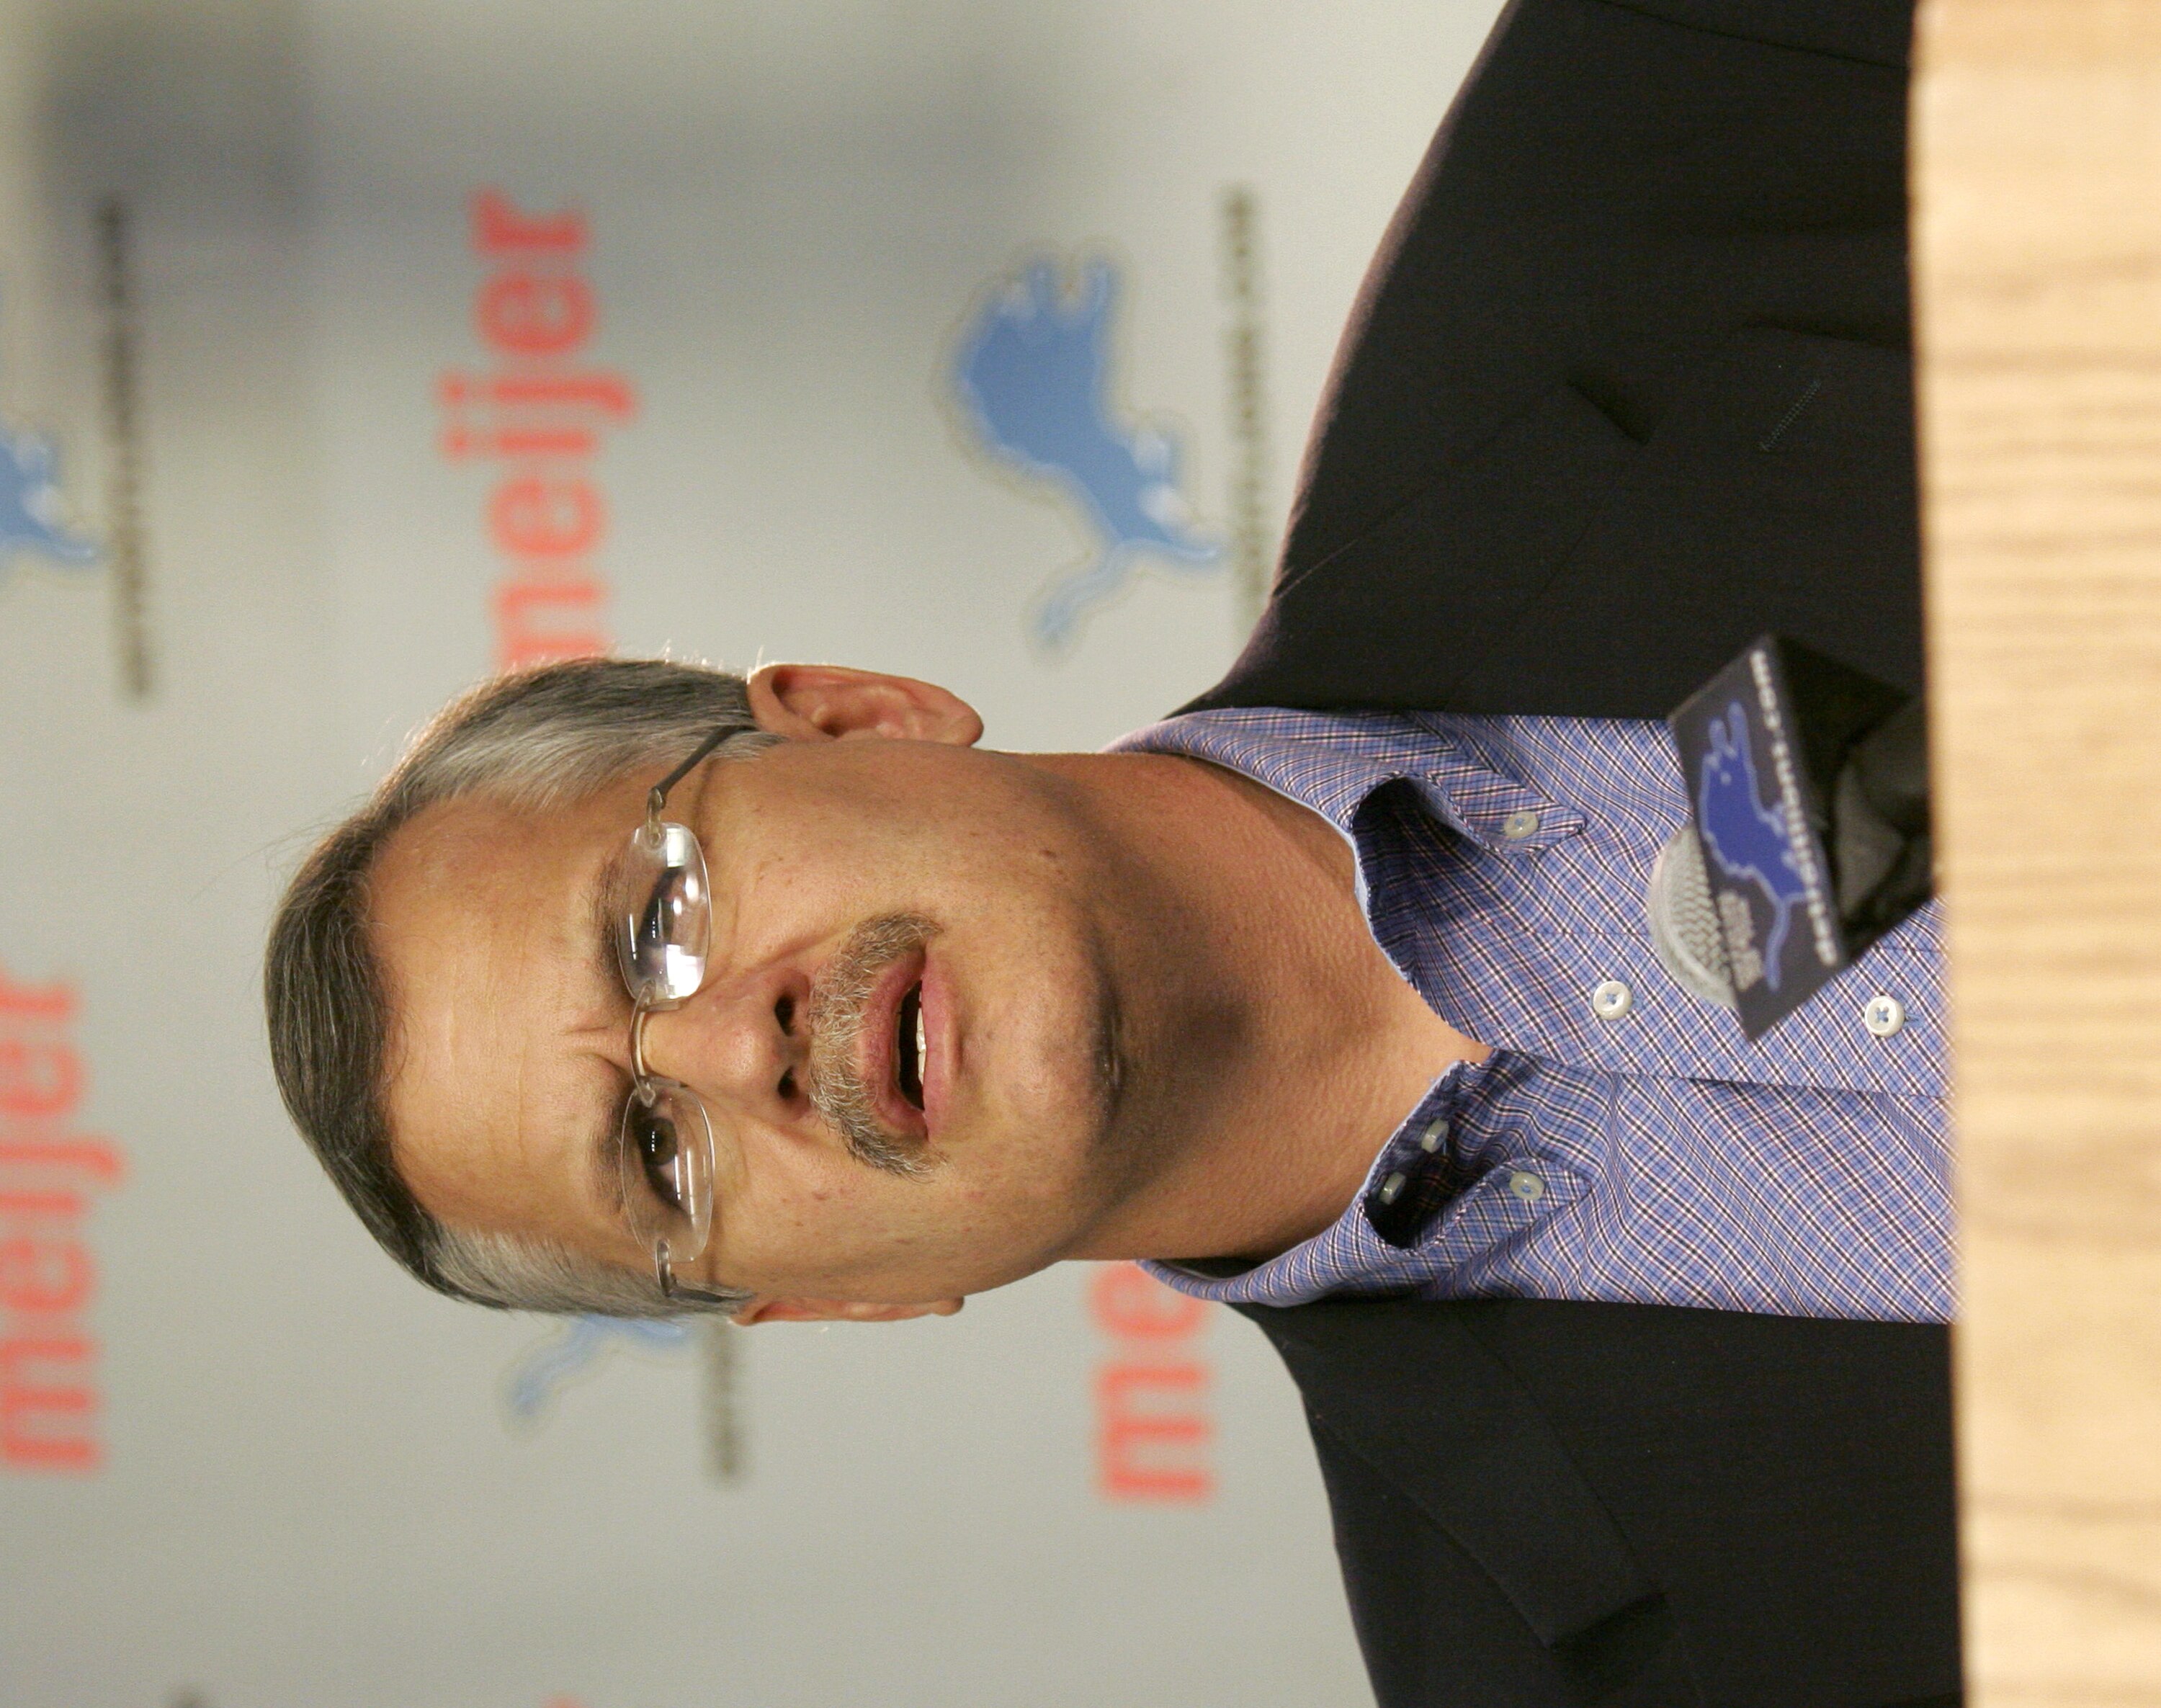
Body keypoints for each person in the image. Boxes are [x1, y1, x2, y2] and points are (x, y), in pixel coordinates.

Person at [266, 0, 1961, 1701]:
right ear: (837, 1310)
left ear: (858, 712)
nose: (728, 1047)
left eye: (656, 924)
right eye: (653, 1151)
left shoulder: (1649, 129)